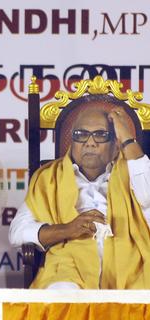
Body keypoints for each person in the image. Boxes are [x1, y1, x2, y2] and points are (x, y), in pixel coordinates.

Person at [10, 97, 150, 289]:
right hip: (69, 269)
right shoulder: (49, 177)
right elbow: (17, 232)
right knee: (62, 296)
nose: (89, 143)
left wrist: (127, 139)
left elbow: (148, 195)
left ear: (116, 144)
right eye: (81, 134)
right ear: (72, 140)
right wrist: (67, 229)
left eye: (100, 135)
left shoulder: (134, 171)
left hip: (131, 269)